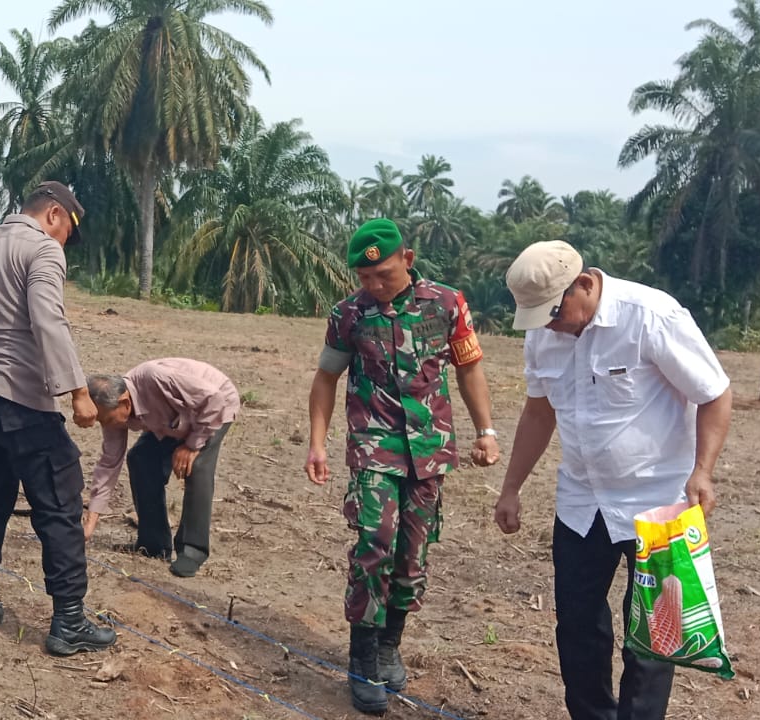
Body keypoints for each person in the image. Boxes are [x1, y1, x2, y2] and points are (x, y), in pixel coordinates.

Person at [495, 240, 732, 720]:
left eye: (555, 311)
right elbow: (539, 413)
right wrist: (511, 487)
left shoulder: (651, 315)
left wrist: (702, 471)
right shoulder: (545, 331)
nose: (550, 324)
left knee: (653, 634)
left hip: (658, 502)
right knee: (578, 624)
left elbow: (714, 392)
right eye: (540, 317)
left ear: (584, 284)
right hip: (582, 503)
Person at [305, 218, 501, 715]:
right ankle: (362, 659)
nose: (373, 286)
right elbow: (326, 377)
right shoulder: (348, 314)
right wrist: (317, 444)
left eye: (383, 275)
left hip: (430, 448)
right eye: (364, 277)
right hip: (375, 445)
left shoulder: (447, 304)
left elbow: (469, 367)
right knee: (374, 543)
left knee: (413, 555)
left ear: (407, 261)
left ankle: (390, 644)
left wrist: (486, 431)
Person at [0, 181, 116, 656]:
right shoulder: (41, 251)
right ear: (55, 215)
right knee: (59, 507)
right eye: (65, 234)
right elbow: (48, 320)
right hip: (22, 400)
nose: (64, 245)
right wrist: (77, 392)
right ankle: (69, 622)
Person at [82, 359, 240, 578]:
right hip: (173, 420)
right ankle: (154, 545)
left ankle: (192, 551)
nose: (105, 425)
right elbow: (109, 463)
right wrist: (91, 521)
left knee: (198, 467)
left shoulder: (156, 378)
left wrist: (191, 445)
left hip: (212, 410)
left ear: (125, 403)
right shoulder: (112, 411)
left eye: (106, 419)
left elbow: (214, 399)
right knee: (141, 460)